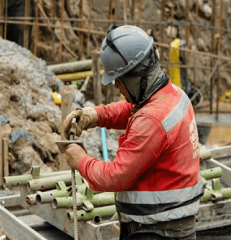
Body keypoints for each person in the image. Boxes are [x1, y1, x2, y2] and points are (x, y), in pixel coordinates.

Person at [63, 25, 204, 240]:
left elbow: (116, 177)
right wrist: (95, 115)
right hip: (171, 225)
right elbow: (134, 108)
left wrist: (80, 160)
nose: (117, 84)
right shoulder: (171, 94)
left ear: (136, 76)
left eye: (119, 78)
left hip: (156, 231)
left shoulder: (151, 120)